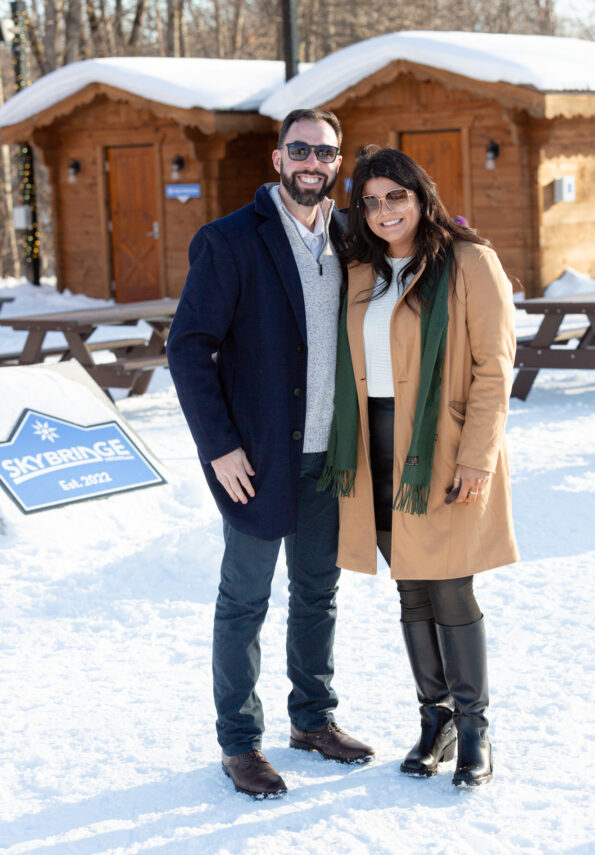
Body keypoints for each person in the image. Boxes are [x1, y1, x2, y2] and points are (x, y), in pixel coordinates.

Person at [166, 109, 375, 799]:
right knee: (245, 601)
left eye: (326, 151)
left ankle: (313, 720)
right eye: (301, 149)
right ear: (279, 158)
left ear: (338, 163)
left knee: (318, 592)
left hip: (327, 453)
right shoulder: (229, 241)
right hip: (254, 457)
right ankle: (240, 743)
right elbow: (189, 348)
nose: (313, 161)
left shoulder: (349, 237)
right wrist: (219, 446)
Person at [320, 147, 518, 787]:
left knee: (451, 584)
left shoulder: (468, 262)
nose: (383, 212)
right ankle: (435, 718)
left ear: (420, 195)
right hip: (375, 447)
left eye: (394, 196)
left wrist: (477, 458)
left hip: (441, 447)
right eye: (370, 201)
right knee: (410, 584)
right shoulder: (359, 271)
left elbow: (494, 367)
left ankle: (476, 725)